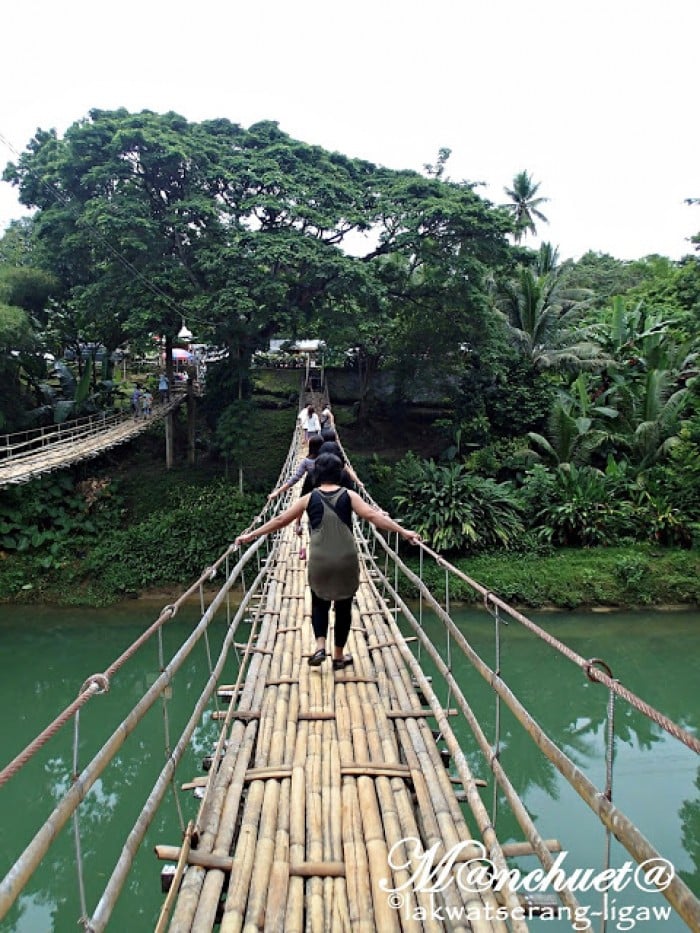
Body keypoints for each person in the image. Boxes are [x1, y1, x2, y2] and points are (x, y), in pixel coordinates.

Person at [235, 453, 421, 670]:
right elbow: (373, 516)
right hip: (346, 558)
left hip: (320, 558)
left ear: (316, 474)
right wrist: (403, 531)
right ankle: (339, 656)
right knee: (344, 607)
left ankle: (320, 645)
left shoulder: (308, 498)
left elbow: (280, 520)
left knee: (319, 602)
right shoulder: (350, 496)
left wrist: (251, 535)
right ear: (341, 473)